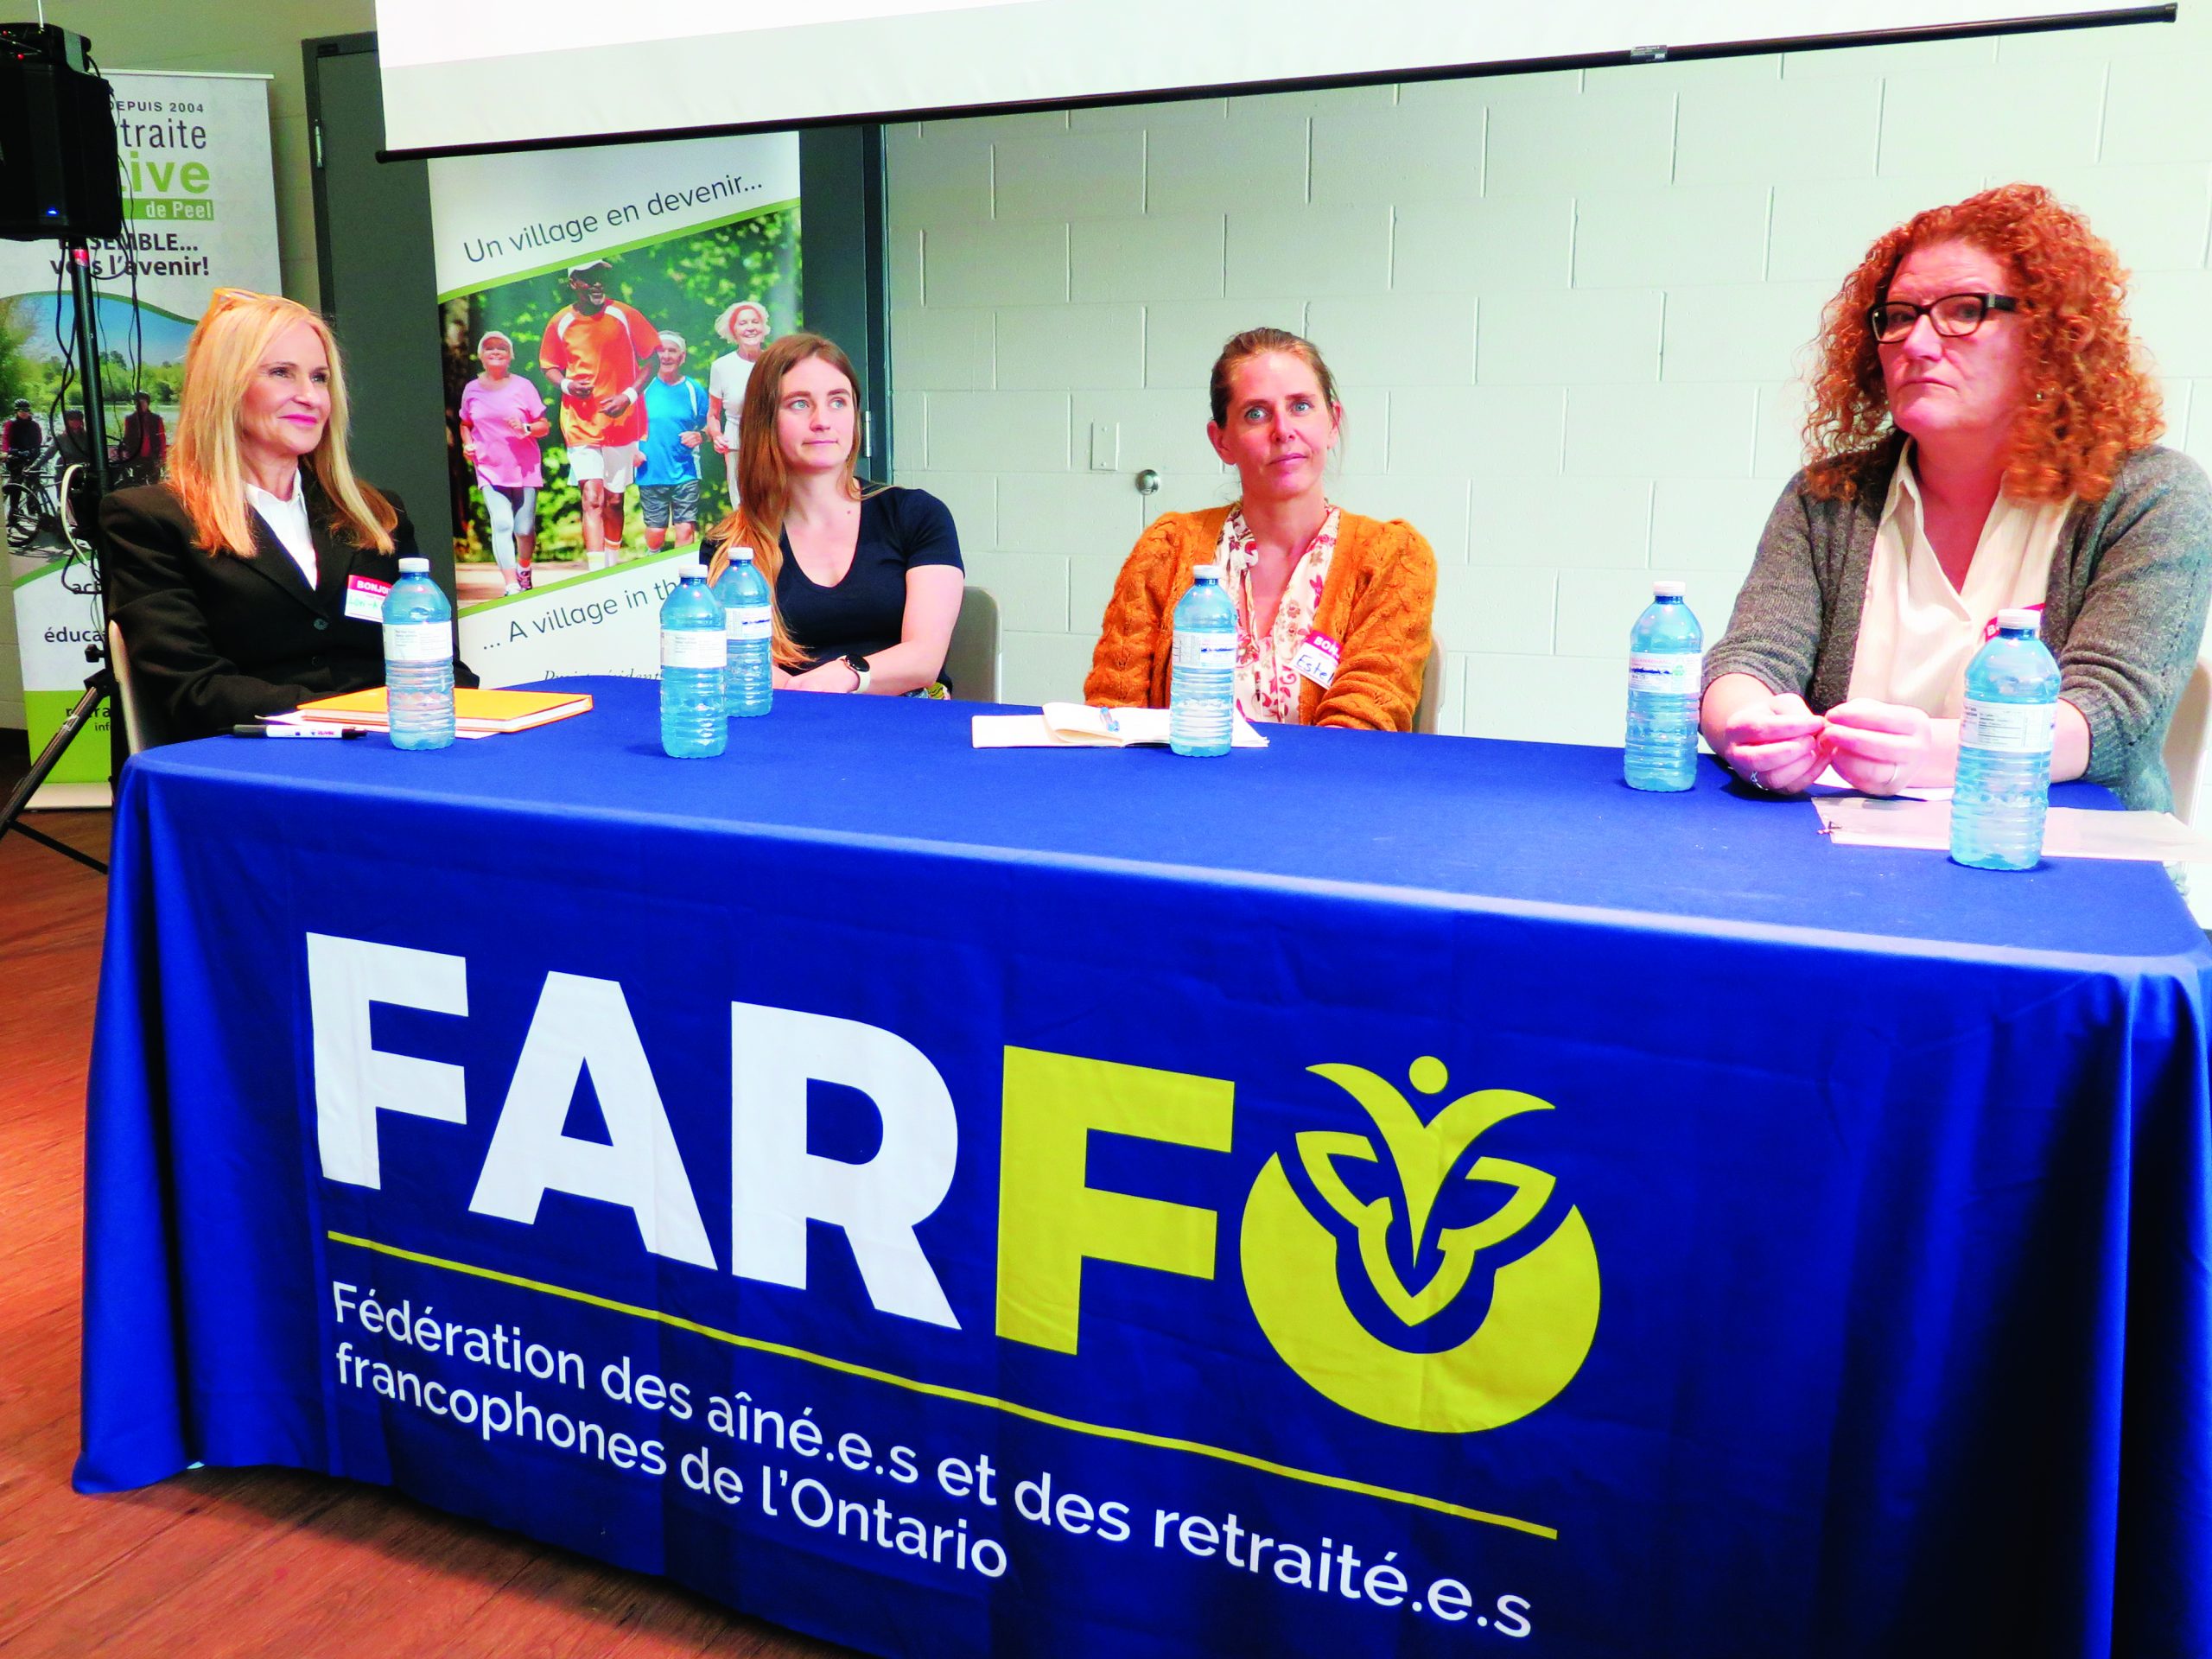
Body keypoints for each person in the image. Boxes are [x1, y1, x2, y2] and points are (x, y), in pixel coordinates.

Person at [1701, 183, 2212, 814]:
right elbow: (1751, 659)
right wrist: (1746, 729)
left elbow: (2114, 715)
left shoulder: (2149, 495)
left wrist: (1937, 754)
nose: (1916, 344)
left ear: (2049, 338)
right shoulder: (1827, 499)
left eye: (1965, 310)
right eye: (1899, 316)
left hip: (2054, 850)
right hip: (1839, 847)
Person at [100, 289, 468, 743]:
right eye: (281, 373)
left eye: (319, 378)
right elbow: (192, 691)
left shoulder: (375, 513)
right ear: (225, 387)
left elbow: (440, 666)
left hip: (399, 745)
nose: (310, 397)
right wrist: (351, 717)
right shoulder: (150, 520)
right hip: (256, 758)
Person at [1084, 327, 1435, 730]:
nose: (1283, 430)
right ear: (1222, 442)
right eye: (1256, 413)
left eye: (1301, 406)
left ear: (1332, 423)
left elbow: (1361, 727)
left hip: (1324, 773)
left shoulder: (1393, 557)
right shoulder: (1166, 549)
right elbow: (1114, 714)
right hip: (1181, 772)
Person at [702, 333, 963, 694]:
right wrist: (803, 699)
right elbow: (737, 660)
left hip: (906, 715)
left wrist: (845, 676)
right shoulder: (729, 543)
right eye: (799, 404)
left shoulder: (917, 514)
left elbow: (924, 659)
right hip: (789, 714)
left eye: (838, 402)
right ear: (765, 420)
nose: (822, 420)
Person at [538, 257, 659, 569]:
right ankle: (595, 573)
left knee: (614, 500)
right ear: (573, 283)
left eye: (600, 276)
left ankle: (612, 565)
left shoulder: (625, 314)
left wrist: (628, 396)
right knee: (592, 497)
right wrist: (566, 384)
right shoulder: (560, 321)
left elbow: (653, 359)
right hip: (579, 422)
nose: (596, 283)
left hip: (620, 421)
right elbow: (549, 365)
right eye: (588, 277)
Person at [458, 330, 549, 594]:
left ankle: (524, 569)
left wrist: (526, 428)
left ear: (510, 356)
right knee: (502, 524)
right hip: (489, 468)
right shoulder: (471, 389)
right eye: (489, 348)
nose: (495, 351)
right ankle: (511, 584)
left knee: (524, 529)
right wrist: (467, 444)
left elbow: (543, 425)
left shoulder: (523, 386)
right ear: (481, 356)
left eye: (502, 348)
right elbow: (465, 424)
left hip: (524, 468)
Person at [637, 332, 710, 552]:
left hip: (686, 471)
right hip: (651, 470)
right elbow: (626, 424)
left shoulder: (693, 389)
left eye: (672, 351)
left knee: (685, 530)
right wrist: (632, 451)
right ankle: (652, 559)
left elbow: (711, 424)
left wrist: (701, 436)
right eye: (661, 351)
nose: (666, 356)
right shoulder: (643, 387)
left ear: (682, 357)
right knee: (656, 533)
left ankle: (681, 572)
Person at [708, 300, 770, 505]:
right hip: (737, 444)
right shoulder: (721, 367)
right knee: (743, 504)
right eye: (743, 323)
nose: (750, 327)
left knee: (772, 502)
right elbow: (713, 414)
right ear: (733, 332)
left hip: (773, 442)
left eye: (755, 322)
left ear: (764, 328)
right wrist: (717, 436)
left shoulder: (776, 362)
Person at [113, 391, 167, 488]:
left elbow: (162, 439)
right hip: (137, 457)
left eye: (143, 402)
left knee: (154, 484)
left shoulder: (157, 419)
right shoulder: (130, 419)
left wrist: (162, 457)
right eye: (138, 402)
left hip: (153, 457)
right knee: (138, 483)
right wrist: (127, 456)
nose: (141, 405)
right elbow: (127, 438)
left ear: (148, 403)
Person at [3, 398, 40, 519]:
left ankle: (32, 509)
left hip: (31, 456)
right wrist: (13, 452)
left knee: (32, 483)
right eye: (20, 411)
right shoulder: (11, 424)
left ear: (29, 411)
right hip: (15, 456)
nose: (23, 413)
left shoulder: (34, 425)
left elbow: (38, 442)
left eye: (26, 410)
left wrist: (33, 452)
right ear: (16, 412)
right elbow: (6, 440)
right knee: (16, 486)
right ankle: (13, 512)